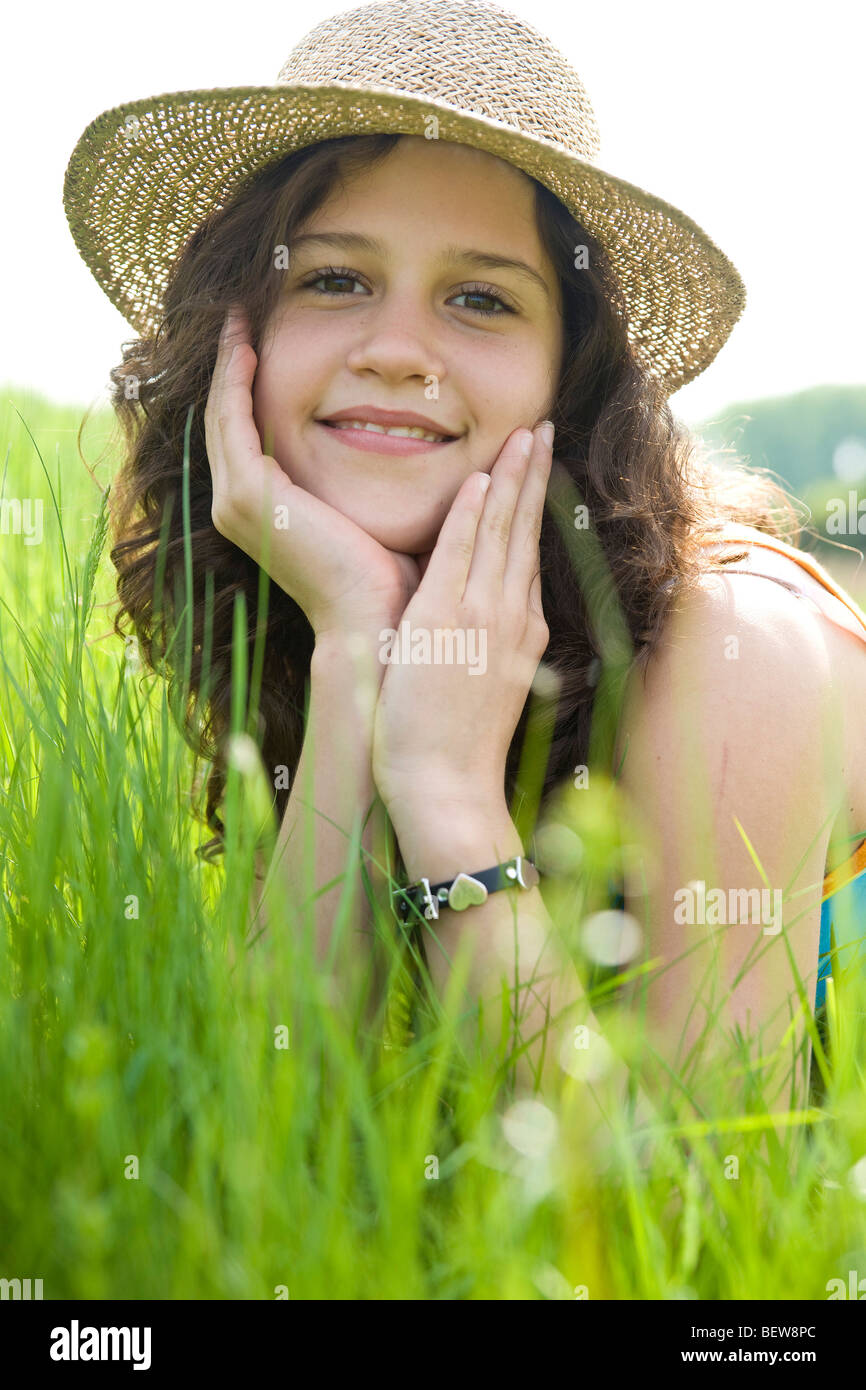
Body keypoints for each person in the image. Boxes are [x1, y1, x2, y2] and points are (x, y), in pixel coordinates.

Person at [63, 0, 866, 1135]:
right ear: (237, 334)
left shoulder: (731, 652)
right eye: (334, 279)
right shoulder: (325, 599)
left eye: (480, 298)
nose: (395, 351)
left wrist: (446, 799)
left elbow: (703, 1220)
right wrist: (353, 642)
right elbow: (276, 1130)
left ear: (567, 376)